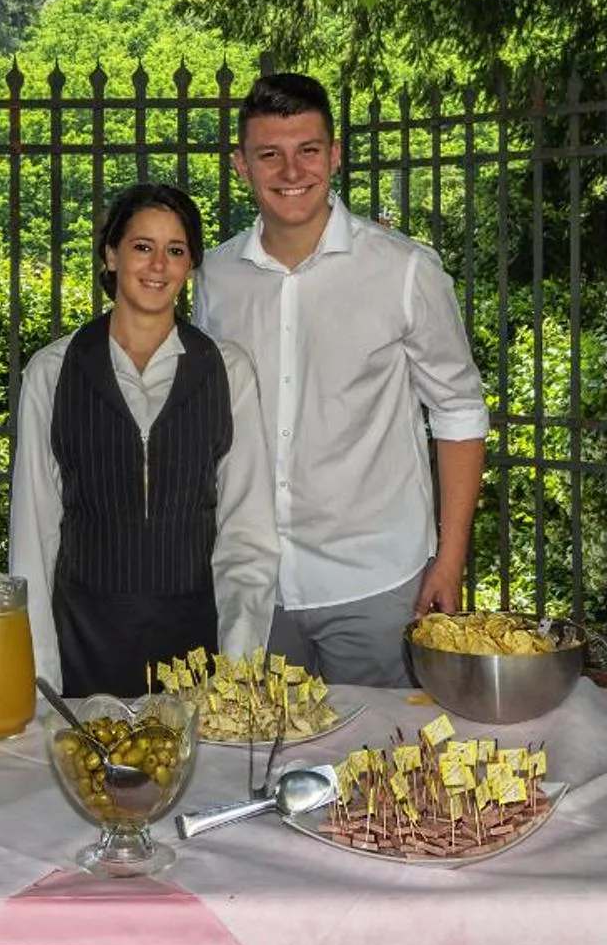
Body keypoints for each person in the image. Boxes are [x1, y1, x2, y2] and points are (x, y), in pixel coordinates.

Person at [193, 73, 488, 687]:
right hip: (255, 587)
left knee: (381, 769)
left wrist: (450, 558)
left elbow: (459, 410)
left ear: (335, 155)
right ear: (241, 166)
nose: (290, 170)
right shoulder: (214, 279)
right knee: (263, 767)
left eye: (307, 150)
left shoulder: (405, 270)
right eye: (269, 153)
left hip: (378, 583)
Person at [9, 182, 280, 698]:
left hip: (197, 648)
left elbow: (248, 534)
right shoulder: (52, 371)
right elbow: (34, 535)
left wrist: (240, 670)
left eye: (175, 251)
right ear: (111, 255)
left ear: (190, 267)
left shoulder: (228, 371)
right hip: (83, 645)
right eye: (142, 247)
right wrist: (42, 679)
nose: (158, 265)